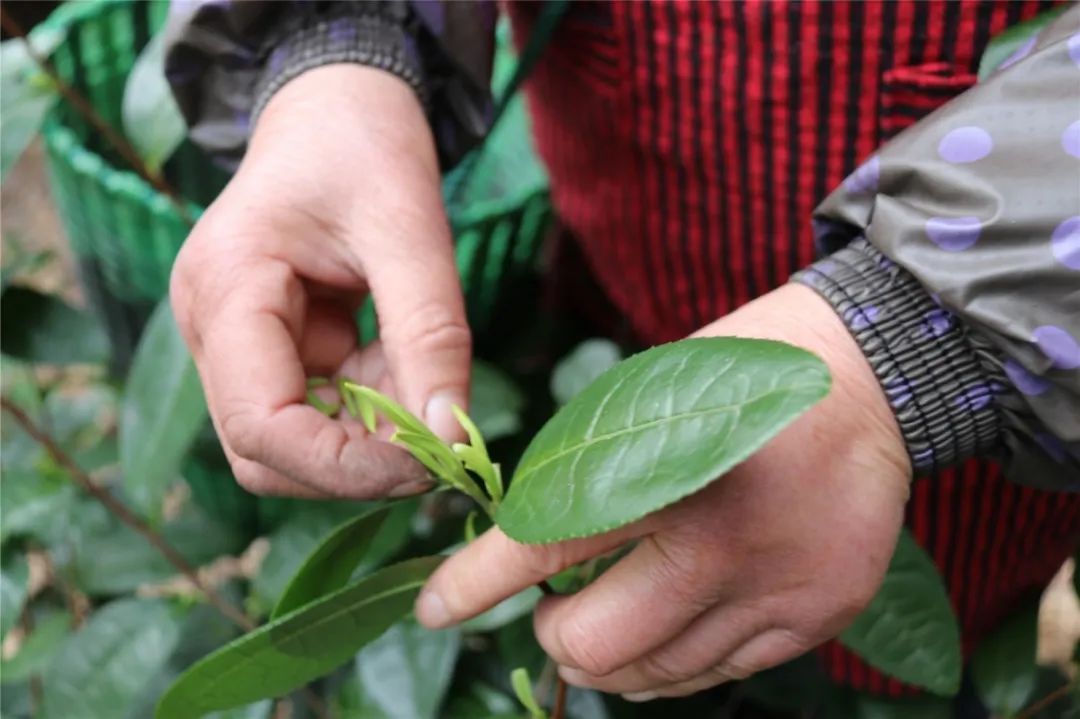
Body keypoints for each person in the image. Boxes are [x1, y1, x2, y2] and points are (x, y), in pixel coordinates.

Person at [165, 0, 1080, 704]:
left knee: (919, 658)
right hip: (629, 236)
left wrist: (913, 343)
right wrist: (334, 49)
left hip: (997, 409)